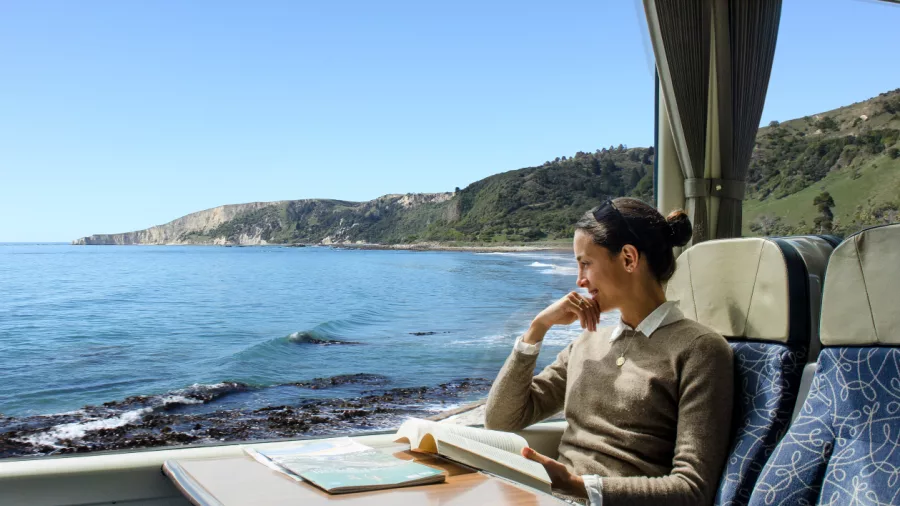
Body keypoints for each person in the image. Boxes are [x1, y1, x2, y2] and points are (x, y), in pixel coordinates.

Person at [485, 197, 734, 506]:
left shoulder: (700, 350)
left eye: (585, 263)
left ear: (629, 258)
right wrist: (537, 328)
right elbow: (500, 419)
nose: (579, 281)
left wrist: (579, 487)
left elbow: (692, 489)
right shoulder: (587, 344)